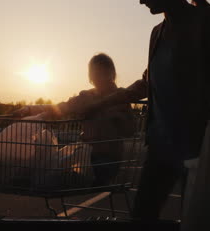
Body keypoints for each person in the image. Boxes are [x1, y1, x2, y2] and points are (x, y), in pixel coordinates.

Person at [77, 0, 210, 221]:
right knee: (142, 218)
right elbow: (145, 84)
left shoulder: (209, 20)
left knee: (194, 227)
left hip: (200, 149)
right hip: (161, 147)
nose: (140, 1)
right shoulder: (157, 33)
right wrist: (98, 104)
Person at [14, 53, 135, 187]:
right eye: (96, 74)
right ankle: (30, 180)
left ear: (111, 74)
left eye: (103, 73)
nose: (99, 78)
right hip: (85, 156)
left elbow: (130, 130)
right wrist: (29, 109)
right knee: (51, 170)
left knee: (57, 178)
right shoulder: (86, 97)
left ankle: (32, 182)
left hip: (107, 161)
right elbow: (60, 107)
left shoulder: (120, 99)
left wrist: (119, 118)